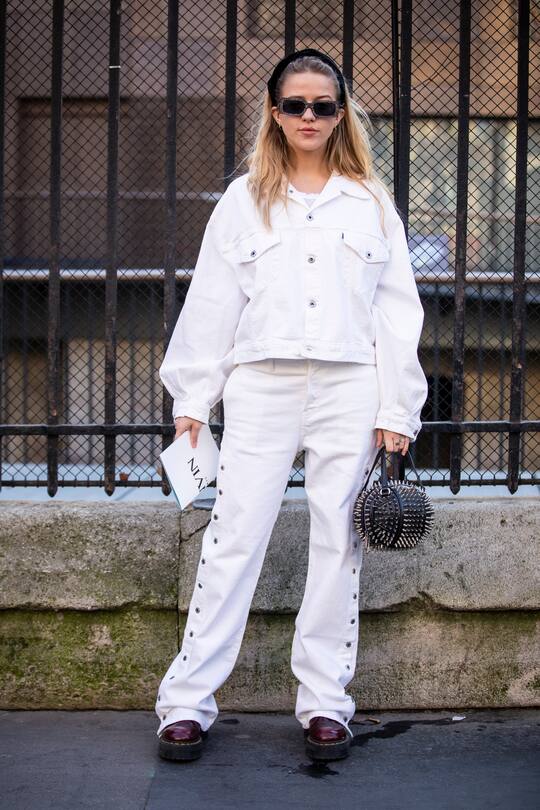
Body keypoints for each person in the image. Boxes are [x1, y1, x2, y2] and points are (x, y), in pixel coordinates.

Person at [155, 47, 428, 763]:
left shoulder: (370, 203)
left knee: (341, 546)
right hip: (263, 386)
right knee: (232, 540)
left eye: (324, 105)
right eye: (296, 104)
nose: (310, 116)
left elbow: (398, 313)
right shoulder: (243, 201)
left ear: (342, 115)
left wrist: (398, 411)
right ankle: (185, 703)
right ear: (274, 113)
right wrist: (193, 397)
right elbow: (213, 302)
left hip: (349, 389)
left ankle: (326, 705)